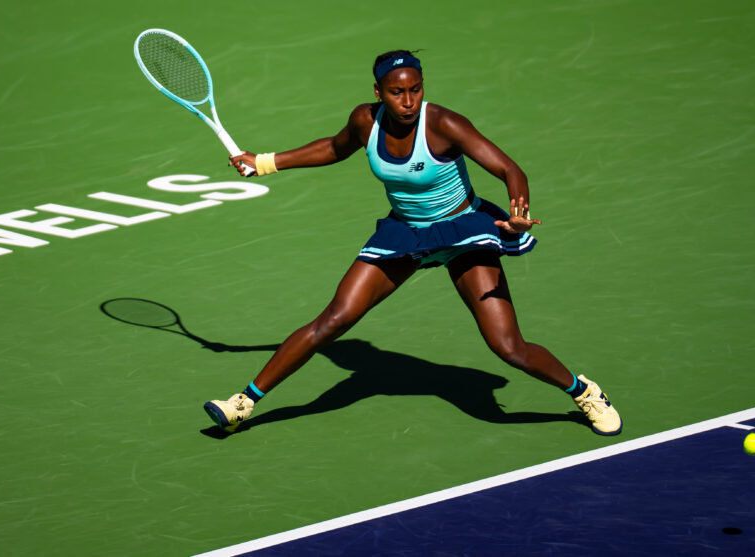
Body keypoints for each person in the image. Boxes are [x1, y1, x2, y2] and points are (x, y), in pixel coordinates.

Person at [204, 51, 621, 436]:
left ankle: (582, 391)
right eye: (397, 92)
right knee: (333, 320)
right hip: (405, 233)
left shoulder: (444, 124)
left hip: (463, 231)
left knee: (507, 346)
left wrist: (517, 212)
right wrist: (263, 162)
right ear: (378, 93)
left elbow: (510, 169)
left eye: (415, 90)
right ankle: (244, 403)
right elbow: (335, 148)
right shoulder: (365, 121)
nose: (408, 101)